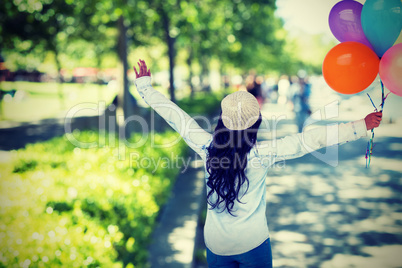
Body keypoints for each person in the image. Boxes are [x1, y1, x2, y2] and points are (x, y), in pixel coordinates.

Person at [133, 60, 382, 268]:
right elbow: (309, 140)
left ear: (222, 121)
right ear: (255, 124)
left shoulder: (206, 148)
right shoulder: (262, 154)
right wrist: (360, 126)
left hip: (216, 246)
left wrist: (145, 87)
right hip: (254, 245)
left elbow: (177, 117)